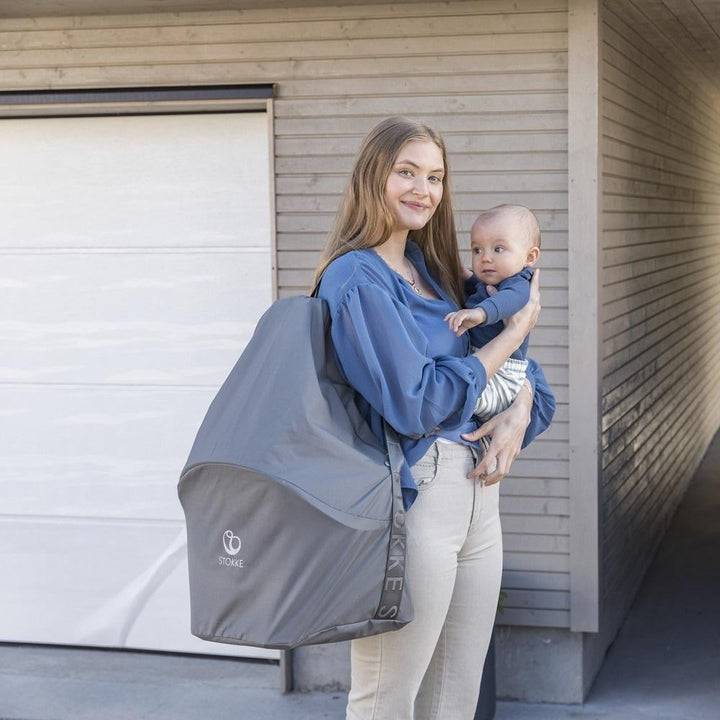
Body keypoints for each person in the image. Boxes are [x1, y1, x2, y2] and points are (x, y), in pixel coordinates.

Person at [314, 117, 555, 720]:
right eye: (406, 172)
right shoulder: (357, 277)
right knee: (387, 702)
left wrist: (518, 410)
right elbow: (417, 403)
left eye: (436, 176)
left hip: (481, 504)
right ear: (374, 176)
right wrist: (516, 332)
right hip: (417, 501)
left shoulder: (441, 273)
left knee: (454, 700)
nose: (423, 189)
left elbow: (529, 384)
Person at [445, 204, 541, 424]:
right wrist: (459, 272)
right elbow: (474, 284)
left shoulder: (519, 284)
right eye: (477, 250)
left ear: (530, 256)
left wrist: (480, 313)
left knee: (457, 399)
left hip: (504, 374)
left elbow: (508, 301)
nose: (485, 258)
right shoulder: (491, 282)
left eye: (498, 249)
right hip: (485, 364)